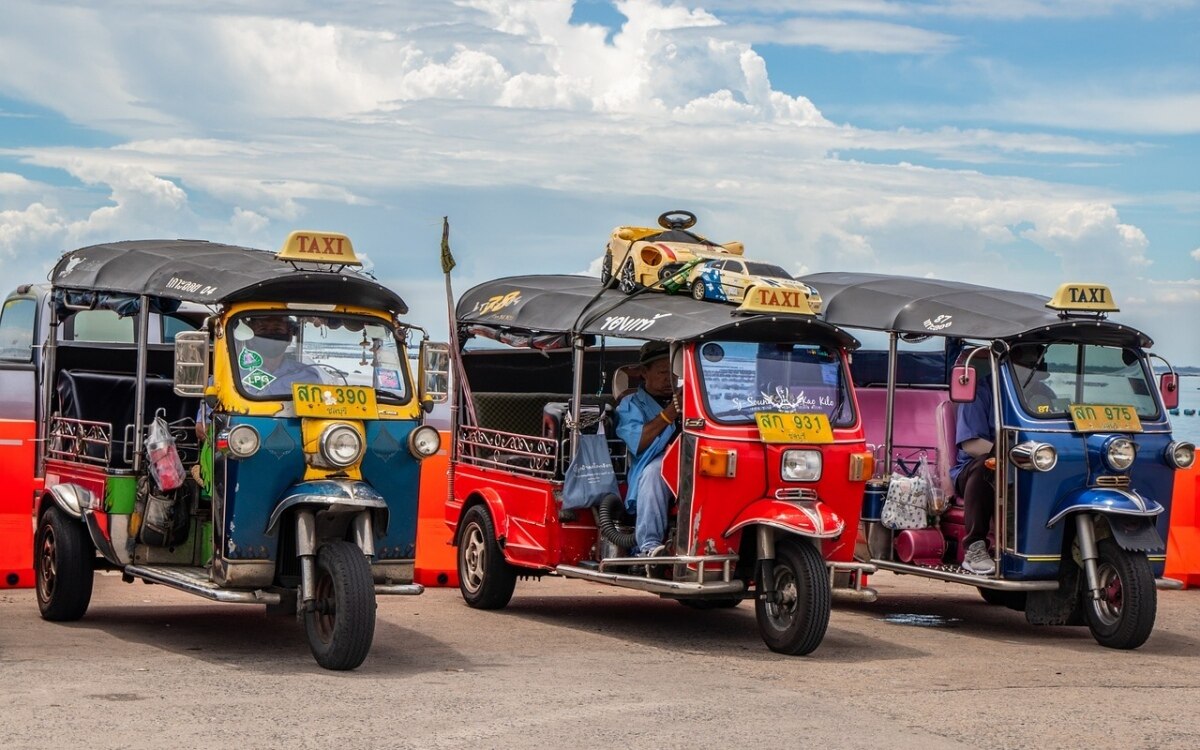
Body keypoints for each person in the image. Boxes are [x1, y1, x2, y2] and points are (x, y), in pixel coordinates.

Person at [950, 345, 1049, 575]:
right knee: (989, 465)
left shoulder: (1043, 393)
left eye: (1036, 366)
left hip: (1029, 462)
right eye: (1027, 365)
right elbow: (971, 444)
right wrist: (1009, 455)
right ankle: (974, 547)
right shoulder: (980, 391)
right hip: (977, 469)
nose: (1032, 371)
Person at [615, 341, 680, 557]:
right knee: (656, 471)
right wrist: (669, 414)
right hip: (653, 464)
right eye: (662, 372)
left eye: (673, 373)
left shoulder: (692, 397)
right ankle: (649, 547)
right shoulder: (630, 404)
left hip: (692, 457)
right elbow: (638, 442)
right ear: (644, 372)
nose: (668, 379)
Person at [233, 315, 323, 398]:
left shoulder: (308, 376)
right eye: (262, 330)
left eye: (278, 330)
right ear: (250, 340)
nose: (270, 337)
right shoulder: (235, 373)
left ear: (289, 338)